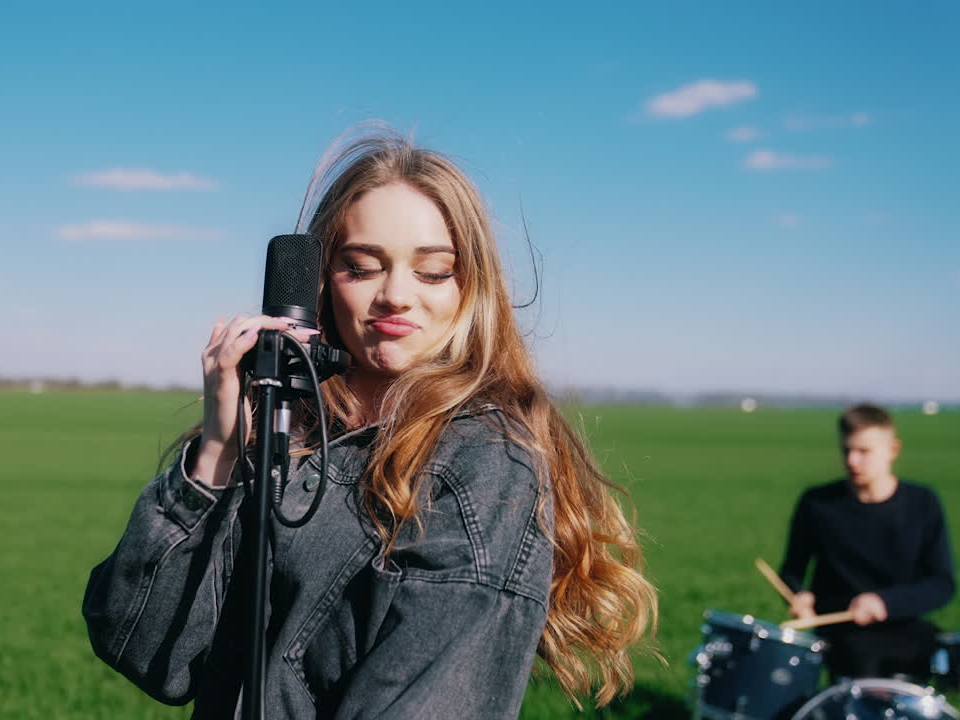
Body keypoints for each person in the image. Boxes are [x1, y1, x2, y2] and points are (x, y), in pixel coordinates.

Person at [82, 131, 657, 718]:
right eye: (360, 268)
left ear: (472, 288)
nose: (395, 296)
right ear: (320, 280)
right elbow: (146, 651)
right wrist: (218, 452)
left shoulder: (483, 467)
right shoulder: (281, 431)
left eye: (433, 272)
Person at [779, 403, 955, 680]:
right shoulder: (817, 503)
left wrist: (885, 602)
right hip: (840, 635)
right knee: (859, 654)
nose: (852, 461)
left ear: (893, 450)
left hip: (903, 628)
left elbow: (942, 584)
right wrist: (798, 594)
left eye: (864, 451)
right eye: (846, 450)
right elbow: (791, 571)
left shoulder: (922, 503)